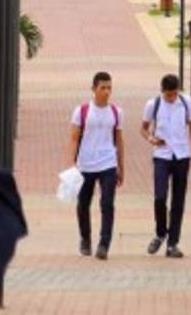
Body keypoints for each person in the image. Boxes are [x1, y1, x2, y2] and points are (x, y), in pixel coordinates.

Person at [65, 71, 124, 260]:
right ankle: (85, 238)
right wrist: (71, 164)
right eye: (103, 88)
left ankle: (104, 244)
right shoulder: (81, 111)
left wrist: (121, 166)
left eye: (109, 88)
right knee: (83, 204)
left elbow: (120, 141)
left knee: (107, 203)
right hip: (86, 164)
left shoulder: (116, 112)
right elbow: (73, 138)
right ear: (94, 89)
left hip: (108, 163)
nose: (107, 92)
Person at [141, 73, 191, 258]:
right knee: (160, 197)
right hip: (162, 155)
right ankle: (160, 233)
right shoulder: (154, 104)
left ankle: (173, 243)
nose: (172, 97)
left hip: (182, 156)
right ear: (162, 91)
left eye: (175, 93)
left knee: (178, 201)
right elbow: (143, 128)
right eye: (168, 94)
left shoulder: (186, 102)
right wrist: (151, 138)